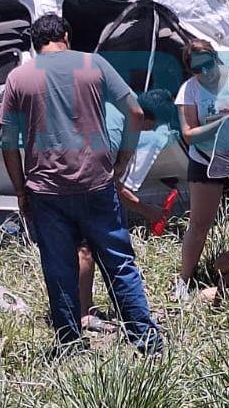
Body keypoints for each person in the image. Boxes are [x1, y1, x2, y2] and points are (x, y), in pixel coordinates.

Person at [0, 14, 161, 355]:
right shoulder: (93, 64)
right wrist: (122, 161)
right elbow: (134, 112)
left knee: (59, 268)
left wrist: (20, 190)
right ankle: (146, 341)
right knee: (119, 262)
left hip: (46, 190)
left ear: (34, 45)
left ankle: (70, 344)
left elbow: (8, 142)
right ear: (66, 36)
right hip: (96, 183)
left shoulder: (18, 78)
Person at [79, 89, 178, 332]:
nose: (148, 133)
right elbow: (111, 185)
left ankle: (83, 307)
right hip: (80, 185)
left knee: (85, 248)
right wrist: (147, 210)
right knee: (86, 250)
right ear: (146, 118)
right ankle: (83, 313)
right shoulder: (117, 132)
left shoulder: (116, 109)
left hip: (67, 177)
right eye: (152, 127)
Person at [172, 39, 229, 301]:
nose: (206, 72)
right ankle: (184, 280)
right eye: (197, 69)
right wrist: (220, 123)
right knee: (199, 224)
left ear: (216, 58)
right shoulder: (188, 90)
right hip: (206, 159)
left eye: (209, 64)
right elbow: (188, 135)